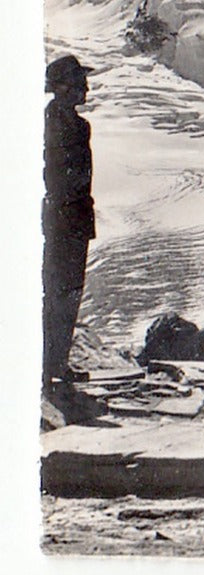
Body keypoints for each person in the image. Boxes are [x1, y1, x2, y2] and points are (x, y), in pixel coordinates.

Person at [43, 55, 96, 388]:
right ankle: (46, 364)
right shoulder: (46, 123)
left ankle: (57, 362)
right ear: (61, 87)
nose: (85, 88)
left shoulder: (79, 125)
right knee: (54, 293)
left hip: (75, 220)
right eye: (78, 82)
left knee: (70, 293)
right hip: (58, 220)